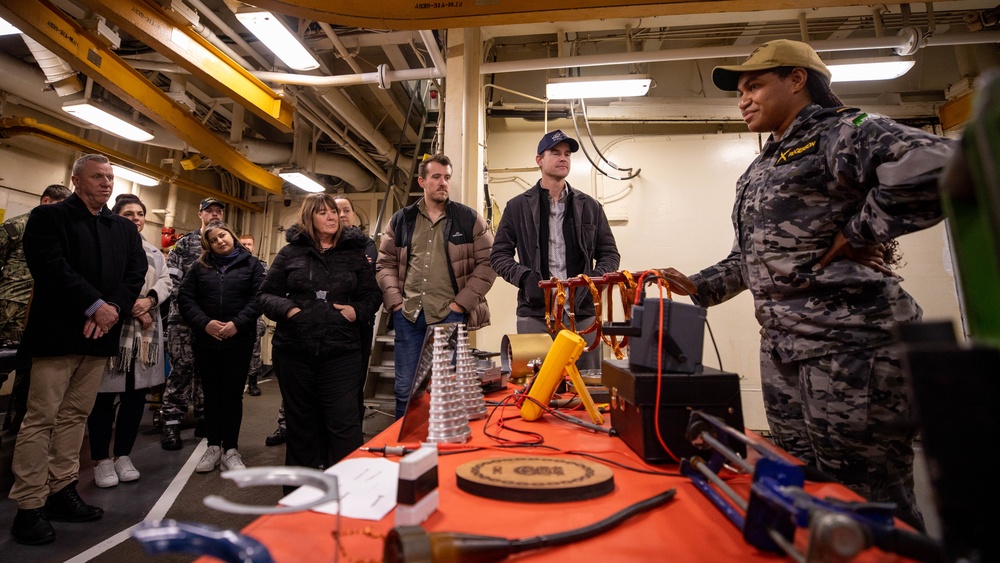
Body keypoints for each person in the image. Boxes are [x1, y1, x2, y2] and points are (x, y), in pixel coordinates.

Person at [667, 39, 953, 530]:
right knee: (807, 489)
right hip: (784, 352)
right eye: (740, 91)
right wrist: (694, 286)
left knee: (866, 500)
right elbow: (750, 258)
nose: (743, 99)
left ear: (797, 80)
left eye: (754, 85)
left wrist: (861, 231)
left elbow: (942, 163)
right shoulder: (761, 167)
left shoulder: (843, 131)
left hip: (850, 351)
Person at [8, 154, 146, 545]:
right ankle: (29, 505)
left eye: (110, 177)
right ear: (76, 180)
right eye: (97, 176)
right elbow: (51, 268)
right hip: (56, 335)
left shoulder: (122, 228)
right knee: (41, 419)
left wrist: (112, 310)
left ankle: (60, 490)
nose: (106, 183)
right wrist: (94, 306)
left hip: (100, 335)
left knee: (74, 417)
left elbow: (134, 274)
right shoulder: (48, 218)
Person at [258, 193, 381, 471]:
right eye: (323, 212)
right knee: (301, 424)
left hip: (342, 352)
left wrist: (357, 311)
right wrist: (290, 310)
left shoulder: (354, 255)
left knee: (344, 423)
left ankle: (346, 489)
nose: (331, 217)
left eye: (334, 213)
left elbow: (372, 296)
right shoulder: (290, 253)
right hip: (294, 350)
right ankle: (300, 494)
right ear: (309, 218)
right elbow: (265, 295)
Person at [376, 154, 496, 420]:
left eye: (447, 178)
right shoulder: (401, 220)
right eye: (436, 177)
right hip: (409, 315)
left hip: (449, 316)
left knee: (448, 390)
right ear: (422, 181)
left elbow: (489, 264)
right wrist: (395, 302)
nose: (443, 183)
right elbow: (385, 264)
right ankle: (407, 448)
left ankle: (446, 451)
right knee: (406, 389)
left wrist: (460, 304)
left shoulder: (468, 219)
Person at [490, 130, 620, 372]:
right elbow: (498, 255)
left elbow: (610, 254)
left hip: (584, 316)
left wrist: (592, 281)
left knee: (587, 387)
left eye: (567, 154)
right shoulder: (517, 207)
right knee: (537, 387)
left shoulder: (590, 206)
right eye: (555, 153)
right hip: (535, 314)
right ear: (539, 160)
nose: (563, 158)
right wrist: (525, 277)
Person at [87, 194, 171, 488]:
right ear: (116, 215)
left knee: (136, 396)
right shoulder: (106, 244)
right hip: (112, 329)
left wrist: (148, 301)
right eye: (128, 213)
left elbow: (165, 281)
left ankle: (123, 455)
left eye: (139, 213)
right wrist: (129, 306)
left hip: (145, 334)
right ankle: (101, 460)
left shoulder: (153, 251)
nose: (135, 218)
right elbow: (101, 282)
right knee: (103, 397)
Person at [178, 221, 264, 473]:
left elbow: (259, 297)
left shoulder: (252, 264)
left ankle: (231, 449)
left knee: (232, 394)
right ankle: (213, 446)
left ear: (232, 235)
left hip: (239, 340)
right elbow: (185, 298)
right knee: (212, 394)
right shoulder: (198, 267)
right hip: (207, 340)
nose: (220, 241)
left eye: (223, 235)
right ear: (209, 246)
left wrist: (237, 323)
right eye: (213, 240)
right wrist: (205, 324)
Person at [0, 184, 71, 438]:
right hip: (9, 310)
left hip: (41, 312)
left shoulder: (62, 232)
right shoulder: (18, 225)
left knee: (30, 372)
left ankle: (18, 423)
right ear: (45, 200)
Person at [160, 197, 225, 450]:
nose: (215, 214)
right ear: (200, 214)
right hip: (184, 321)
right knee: (182, 370)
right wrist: (195, 310)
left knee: (208, 372)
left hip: (213, 322)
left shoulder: (227, 245)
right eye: (210, 211)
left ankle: (203, 417)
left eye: (219, 211)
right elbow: (173, 283)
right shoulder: (184, 244)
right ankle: (172, 423)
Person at [334, 196, 377, 423]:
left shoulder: (367, 244)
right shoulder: (311, 245)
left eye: (346, 210)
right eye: (336, 210)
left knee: (354, 381)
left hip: (357, 322)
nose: (341, 215)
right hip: (324, 325)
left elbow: (366, 281)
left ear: (353, 215)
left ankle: (352, 429)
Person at [239, 233, 265, 397]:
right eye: (243, 244)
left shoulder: (261, 266)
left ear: (253, 246)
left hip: (253, 315)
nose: (246, 246)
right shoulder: (232, 265)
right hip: (234, 314)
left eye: (249, 244)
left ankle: (253, 382)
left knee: (254, 351)